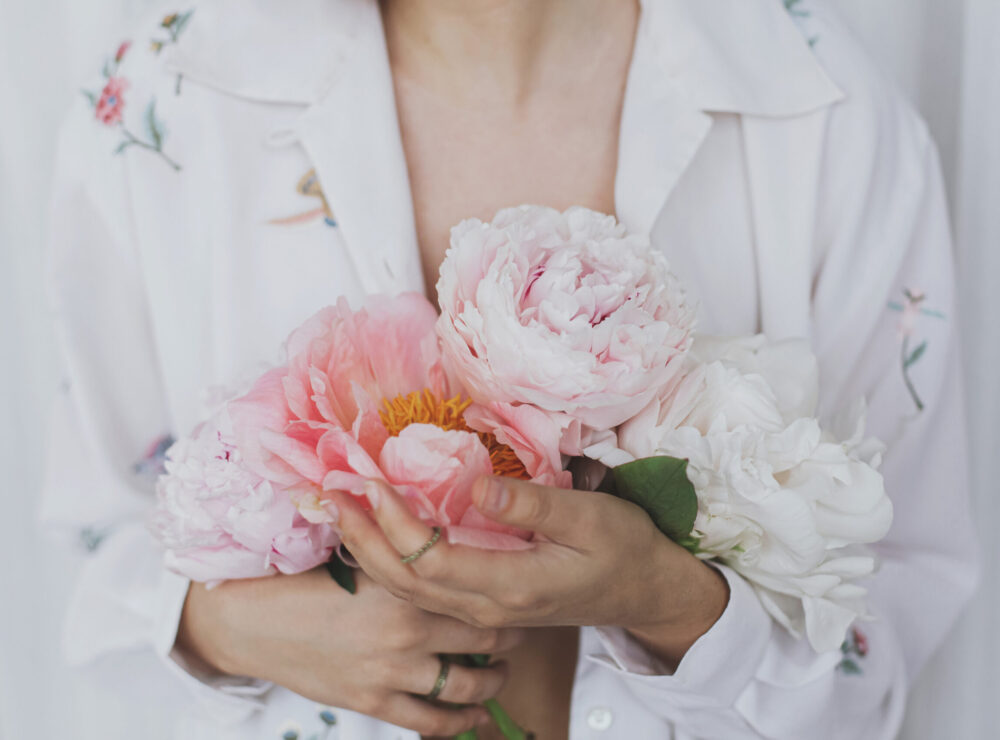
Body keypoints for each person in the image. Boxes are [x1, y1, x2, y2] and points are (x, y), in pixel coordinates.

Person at [44, 0, 978, 738]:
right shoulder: (161, 107)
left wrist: (674, 608)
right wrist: (227, 628)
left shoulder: (820, 111)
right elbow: (100, 550)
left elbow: (894, 604)